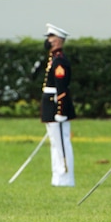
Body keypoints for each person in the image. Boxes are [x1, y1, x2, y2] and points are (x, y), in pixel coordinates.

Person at [41, 23, 76, 187]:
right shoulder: (53, 58)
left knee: (61, 142)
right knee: (55, 143)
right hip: (50, 104)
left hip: (56, 105)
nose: (48, 40)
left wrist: (61, 110)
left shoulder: (60, 61)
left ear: (58, 40)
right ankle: (57, 176)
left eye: (51, 37)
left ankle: (65, 177)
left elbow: (61, 87)